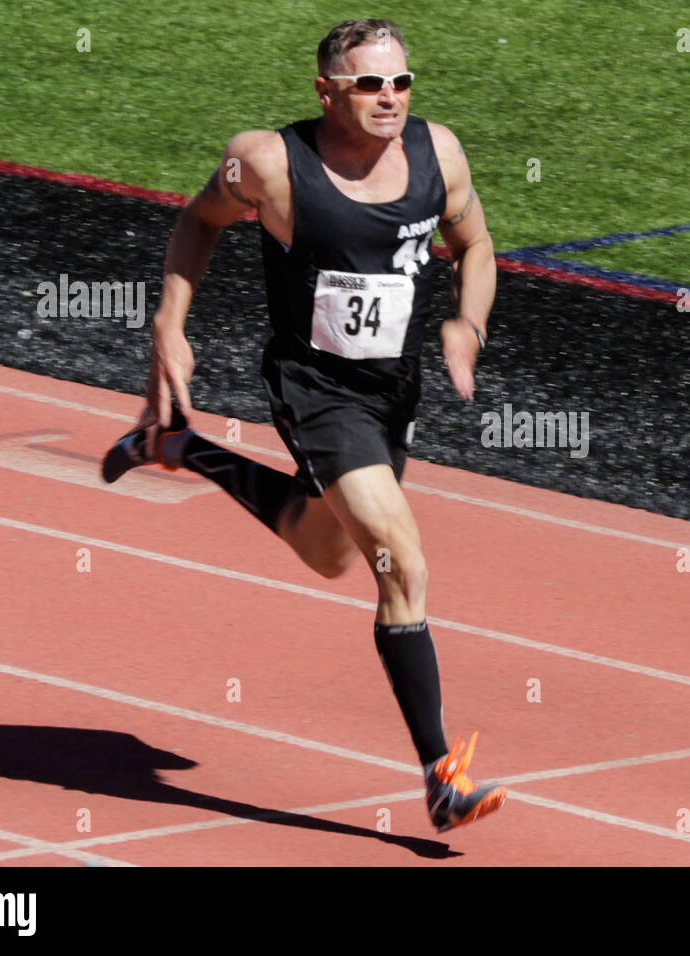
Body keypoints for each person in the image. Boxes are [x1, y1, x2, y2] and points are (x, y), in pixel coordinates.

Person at [101, 18, 505, 833]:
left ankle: (181, 447)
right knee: (404, 566)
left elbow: (476, 243)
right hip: (315, 391)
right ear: (326, 90)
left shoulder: (440, 155)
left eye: (400, 82)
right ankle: (439, 774)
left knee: (329, 553)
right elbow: (196, 222)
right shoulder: (269, 164)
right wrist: (169, 329)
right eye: (368, 84)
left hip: (395, 391)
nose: (389, 98)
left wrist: (469, 323)